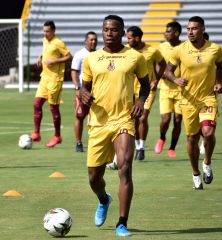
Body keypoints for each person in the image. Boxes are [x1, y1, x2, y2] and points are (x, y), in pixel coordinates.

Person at [80, 15, 150, 236]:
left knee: (125, 167)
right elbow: (85, 86)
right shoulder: (91, 59)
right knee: (93, 177)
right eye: (106, 29)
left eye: (114, 30)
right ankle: (103, 199)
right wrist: (83, 93)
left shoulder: (135, 57)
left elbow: (146, 86)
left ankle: (122, 223)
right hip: (98, 122)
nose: (109, 33)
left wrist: (140, 102)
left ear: (122, 32)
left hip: (123, 119)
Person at [165, 16, 222, 189]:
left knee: (208, 132)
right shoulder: (180, 50)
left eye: (195, 28)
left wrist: (219, 82)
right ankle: (195, 173)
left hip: (207, 98)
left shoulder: (215, 49)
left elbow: (221, 68)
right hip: (188, 100)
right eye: (189, 29)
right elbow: (167, 71)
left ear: (203, 29)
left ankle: (206, 162)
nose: (191, 32)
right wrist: (175, 79)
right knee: (191, 139)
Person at [126, 26, 166, 160]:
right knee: (134, 118)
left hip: (147, 89)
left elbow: (163, 63)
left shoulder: (152, 51)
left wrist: (156, 80)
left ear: (137, 38)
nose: (128, 40)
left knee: (143, 117)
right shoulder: (126, 51)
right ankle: (137, 145)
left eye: (130, 38)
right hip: (130, 90)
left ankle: (142, 147)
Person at [30, 20, 72, 148]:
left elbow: (69, 56)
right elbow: (47, 51)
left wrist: (55, 61)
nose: (45, 33)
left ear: (53, 31)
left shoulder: (58, 43)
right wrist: (41, 57)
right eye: (44, 31)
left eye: (48, 31)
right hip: (45, 78)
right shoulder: (45, 40)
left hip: (55, 79)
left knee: (53, 108)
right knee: (37, 104)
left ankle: (57, 136)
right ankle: (36, 133)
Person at [154, 21, 183, 158]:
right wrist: (159, 76)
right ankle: (162, 138)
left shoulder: (185, 47)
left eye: (168, 31)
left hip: (181, 90)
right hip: (165, 88)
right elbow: (157, 64)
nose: (165, 34)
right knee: (165, 119)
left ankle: (172, 147)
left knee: (177, 119)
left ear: (176, 33)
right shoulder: (161, 47)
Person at [71, 31, 98, 152]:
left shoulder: (100, 54)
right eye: (91, 39)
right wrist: (77, 87)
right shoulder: (80, 54)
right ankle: (78, 142)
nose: (93, 41)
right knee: (80, 116)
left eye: (95, 39)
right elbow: (74, 71)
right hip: (83, 90)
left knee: (97, 117)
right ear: (85, 41)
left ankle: (96, 142)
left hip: (97, 91)